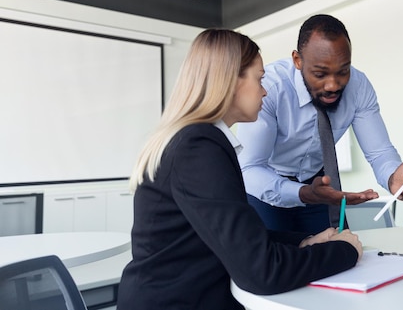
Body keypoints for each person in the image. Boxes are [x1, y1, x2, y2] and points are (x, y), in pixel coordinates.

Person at [117, 29, 362, 310]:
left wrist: (307, 241)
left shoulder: (191, 139)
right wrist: (345, 251)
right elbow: (262, 272)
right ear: (230, 81)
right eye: (259, 79)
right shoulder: (199, 147)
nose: (265, 89)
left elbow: (236, 237)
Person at [237, 14, 403, 233]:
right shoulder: (270, 87)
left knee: (342, 252)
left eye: (343, 71)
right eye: (320, 74)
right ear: (297, 61)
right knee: (277, 259)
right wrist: (301, 193)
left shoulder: (359, 87)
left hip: (318, 187)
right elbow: (250, 167)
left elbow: (379, 152)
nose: (332, 85)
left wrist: (394, 177)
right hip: (264, 188)